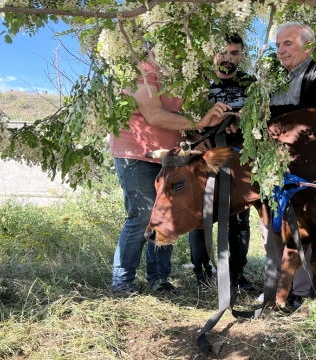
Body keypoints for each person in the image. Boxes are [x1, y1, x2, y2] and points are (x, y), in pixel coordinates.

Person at [110, 59, 233, 294]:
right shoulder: (142, 67)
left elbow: (183, 118)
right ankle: (122, 280)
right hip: (135, 152)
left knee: (168, 212)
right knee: (143, 214)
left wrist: (202, 131)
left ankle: (158, 279)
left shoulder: (185, 70)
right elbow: (154, 115)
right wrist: (200, 121)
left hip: (171, 156)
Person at [267, 22, 316, 306]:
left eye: (288, 44)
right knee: (276, 225)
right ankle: (277, 288)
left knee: (307, 226)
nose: (281, 51)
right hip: (275, 164)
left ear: (307, 45)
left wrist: (267, 112)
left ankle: (302, 293)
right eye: (278, 45)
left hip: (309, 166)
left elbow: (313, 114)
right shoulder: (275, 78)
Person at [188, 33, 257, 291]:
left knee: (239, 215)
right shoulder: (199, 82)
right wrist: (196, 137)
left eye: (234, 53)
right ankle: (202, 274)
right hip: (205, 155)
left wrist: (241, 121)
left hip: (240, 156)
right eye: (223, 52)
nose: (228, 58)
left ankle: (236, 275)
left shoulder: (250, 83)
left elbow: (260, 117)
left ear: (241, 55)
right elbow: (187, 118)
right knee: (201, 214)